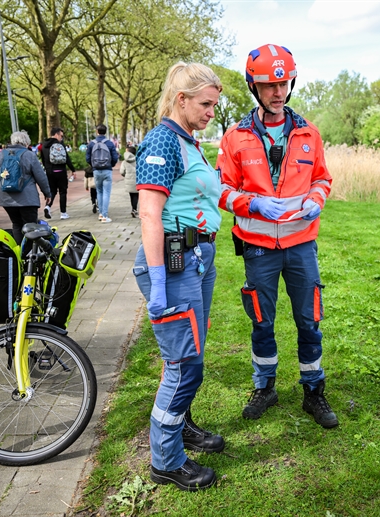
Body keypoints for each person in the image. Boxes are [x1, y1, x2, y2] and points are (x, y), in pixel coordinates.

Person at [217, 44, 337, 429]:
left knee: (309, 320)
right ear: (254, 86)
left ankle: (313, 391)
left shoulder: (308, 133)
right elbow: (221, 190)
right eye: (269, 85)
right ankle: (264, 386)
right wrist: (253, 205)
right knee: (262, 322)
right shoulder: (235, 137)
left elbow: (321, 178)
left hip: (302, 245)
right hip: (258, 249)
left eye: (284, 83)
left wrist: (317, 199)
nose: (278, 92)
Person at [132, 62, 223, 491]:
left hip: (194, 260)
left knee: (192, 358)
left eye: (215, 105)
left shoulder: (188, 141)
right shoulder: (161, 142)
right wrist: (158, 281)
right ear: (180, 100)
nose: (211, 112)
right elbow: (149, 213)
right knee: (184, 367)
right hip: (173, 264)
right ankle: (166, 460)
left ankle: (181, 427)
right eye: (206, 104)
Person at [0, 130, 52, 244]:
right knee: (31, 227)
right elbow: (40, 176)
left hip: (7, 198)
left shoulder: (1, 155)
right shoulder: (29, 155)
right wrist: (47, 193)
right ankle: (30, 256)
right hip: (27, 199)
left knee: (16, 224)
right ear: (26, 143)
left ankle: (20, 254)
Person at [40, 127, 77, 220]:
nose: (62, 137)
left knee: (52, 191)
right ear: (56, 134)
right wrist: (73, 170)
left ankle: (47, 207)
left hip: (49, 172)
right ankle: (63, 213)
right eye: (61, 135)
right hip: (60, 171)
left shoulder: (44, 145)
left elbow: (43, 159)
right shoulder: (60, 144)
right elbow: (67, 158)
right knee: (62, 191)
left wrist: (47, 169)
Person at [86, 124, 118, 223]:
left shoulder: (91, 144)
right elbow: (115, 157)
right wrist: (110, 165)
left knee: (99, 192)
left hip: (96, 170)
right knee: (106, 193)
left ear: (97, 131)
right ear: (106, 131)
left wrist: (94, 165)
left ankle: (100, 214)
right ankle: (105, 215)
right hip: (107, 170)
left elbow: (87, 158)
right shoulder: (109, 143)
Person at [120, 144, 138, 217]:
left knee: (132, 195)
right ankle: (135, 209)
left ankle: (133, 208)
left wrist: (126, 175)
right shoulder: (138, 159)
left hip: (129, 181)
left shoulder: (124, 162)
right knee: (136, 195)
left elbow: (122, 172)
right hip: (137, 180)